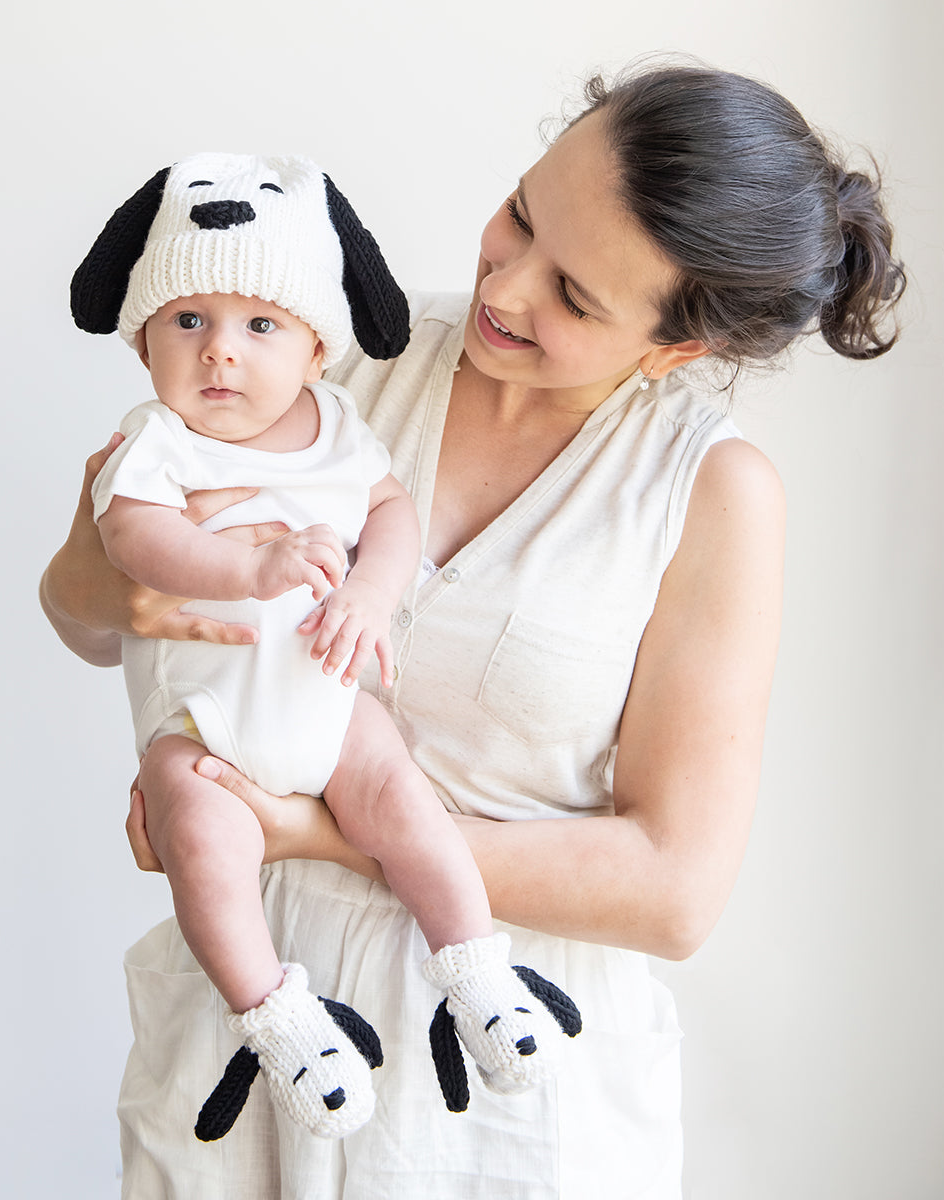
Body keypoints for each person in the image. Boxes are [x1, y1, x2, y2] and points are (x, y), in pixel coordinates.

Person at [42, 61, 904, 1198]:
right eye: (522, 215)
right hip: (253, 1038)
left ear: (675, 348)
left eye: (578, 297)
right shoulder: (328, 354)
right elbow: (81, 612)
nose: (508, 285)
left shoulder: (708, 495)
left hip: (502, 1098)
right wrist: (152, 583)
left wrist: (314, 832)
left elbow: (674, 889)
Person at [68, 153, 580, 1140]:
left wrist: (370, 592)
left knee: (401, 800)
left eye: (259, 326)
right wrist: (243, 570)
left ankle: (478, 971)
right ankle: (277, 1016)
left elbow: (390, 513)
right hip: (207, 727)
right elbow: (135, 538)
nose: (221, 353)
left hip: (328, 701)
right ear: (142, 348)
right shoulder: (159, 442)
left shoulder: (341, 427)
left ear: (314, 353)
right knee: (199, 835)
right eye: (188, 323)